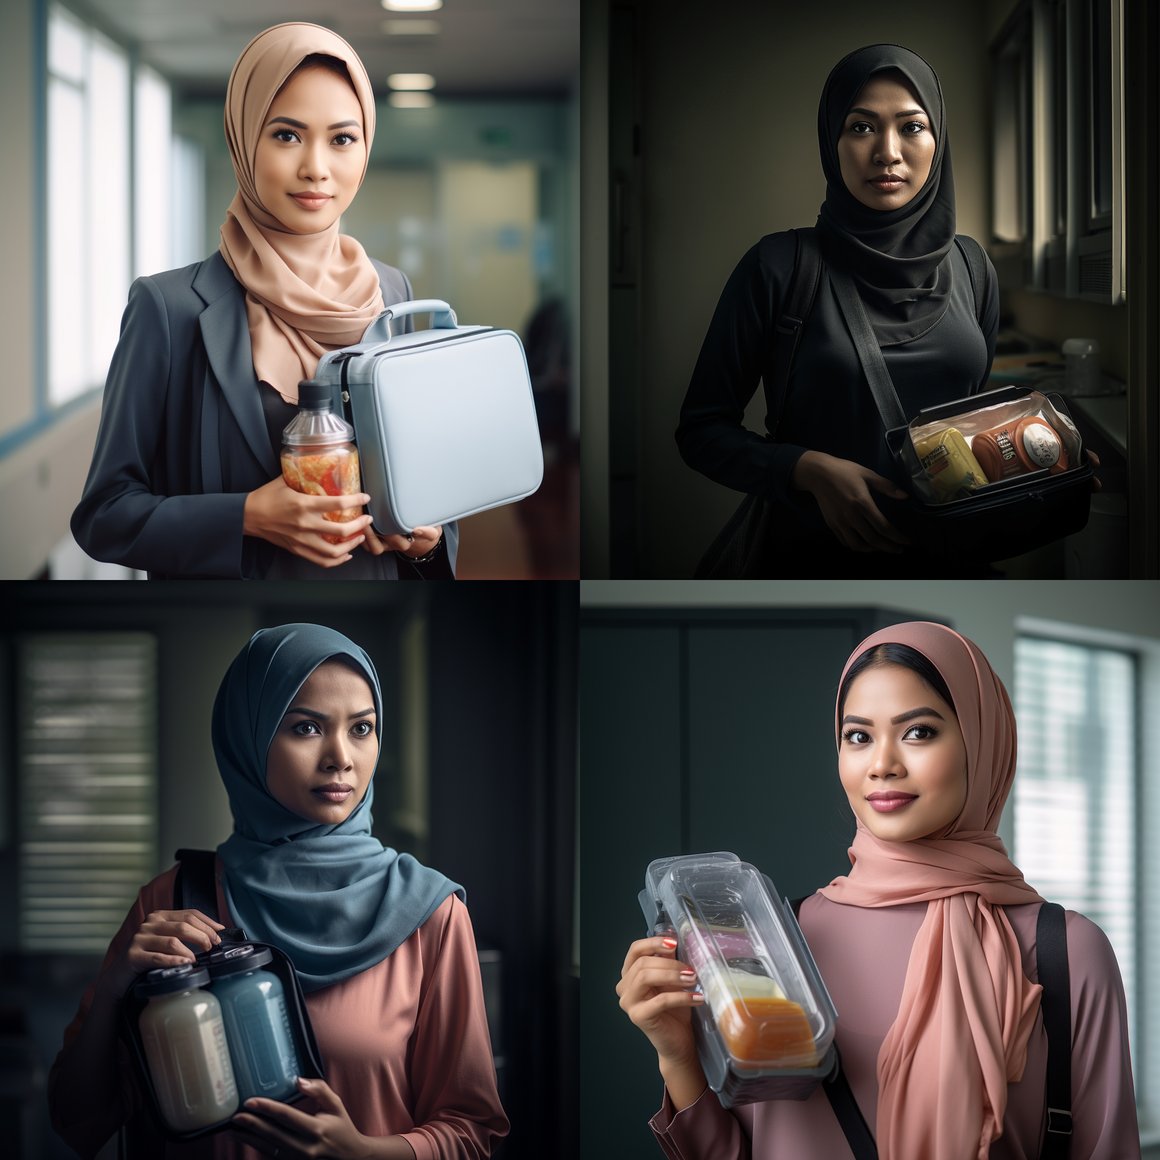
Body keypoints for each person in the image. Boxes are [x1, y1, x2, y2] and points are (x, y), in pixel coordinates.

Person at [617, 621, 1139, 1159]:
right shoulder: (773, 939)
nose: (883, 765)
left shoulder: (1065, 953)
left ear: (982, 743)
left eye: (919, 732)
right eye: (858, 737)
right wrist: (678, 1055)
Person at [48, 623, 508, 1158]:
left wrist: (361, 1153)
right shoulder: (170, 901)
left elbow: (473, 1132)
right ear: (249, 737)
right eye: (307, 728)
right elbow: (75, 1121)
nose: (341, 757)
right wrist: (113, 989)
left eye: (362, 729)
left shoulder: (432, 913)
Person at [675, 45, 1095, 579]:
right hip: (811, 562)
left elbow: (967, 426)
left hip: (950, 561)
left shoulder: (971, 265)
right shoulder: (778, 266)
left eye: (912, 127)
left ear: (937, 141)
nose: (888, 152)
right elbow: (701, 430)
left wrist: (1050, 459)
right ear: (833, 142)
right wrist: (807, 469)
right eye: (861, 127)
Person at [71, 23, 453, 579]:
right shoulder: (168, 308)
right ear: (243, 139)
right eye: (286, 135)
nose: (316, 168)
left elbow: (426, 479)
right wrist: (246, 515)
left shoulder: (392, 294)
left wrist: (426, 540)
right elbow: (104, 516)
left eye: (342, 139)